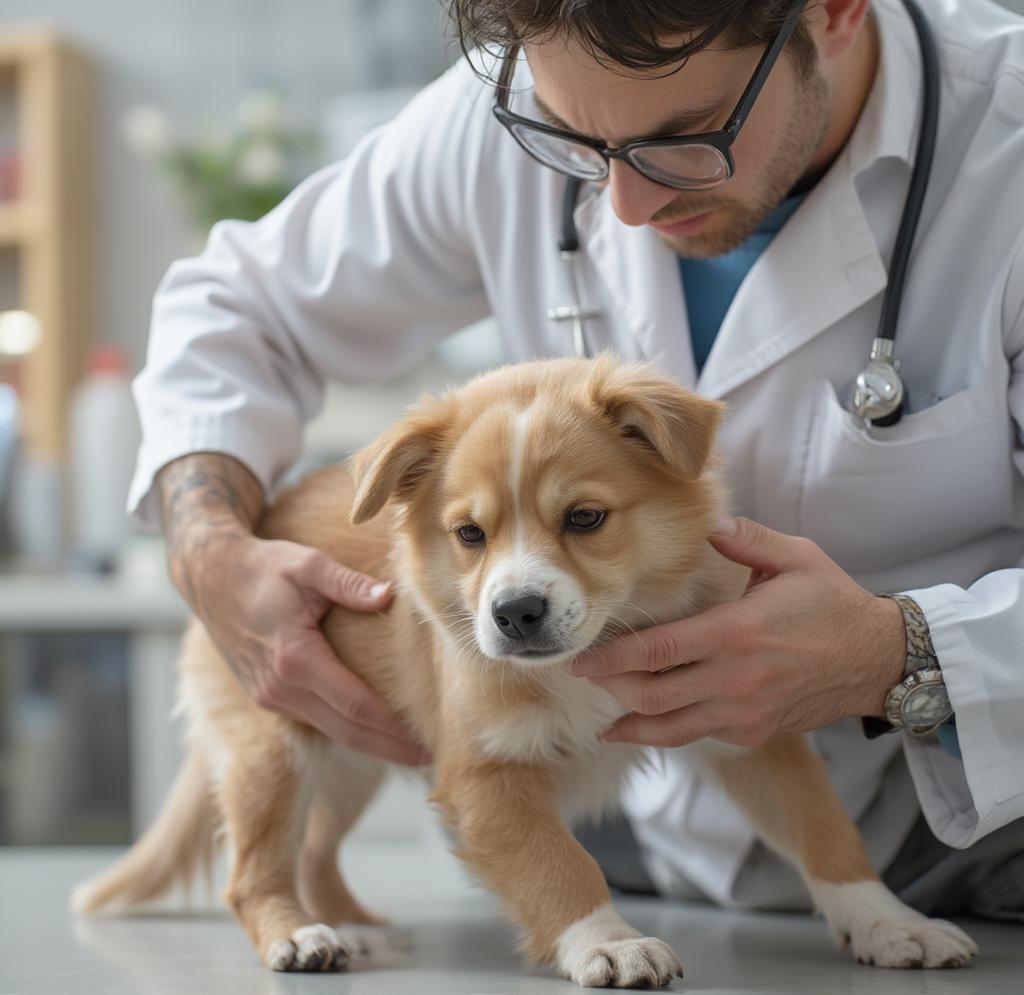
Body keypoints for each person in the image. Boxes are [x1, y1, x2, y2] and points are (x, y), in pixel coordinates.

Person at [128, 0, 1024, 917]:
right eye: (576, 143)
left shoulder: (1008, 145)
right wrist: (208, 550)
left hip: (972, 838)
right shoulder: (508, 111)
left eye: (685, 138)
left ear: (834, 12)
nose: (626, 205)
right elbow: (233, 308)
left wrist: (901, 655)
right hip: (627, 838)